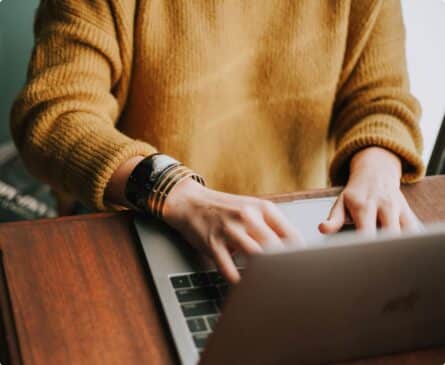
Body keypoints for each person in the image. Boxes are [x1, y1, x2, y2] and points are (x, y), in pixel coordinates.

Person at [11, 0, 424, 283]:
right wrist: (174, 191)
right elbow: (54, 115)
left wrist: (378, 169)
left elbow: (381, 98)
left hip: (298, 232)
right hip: (144, 221)